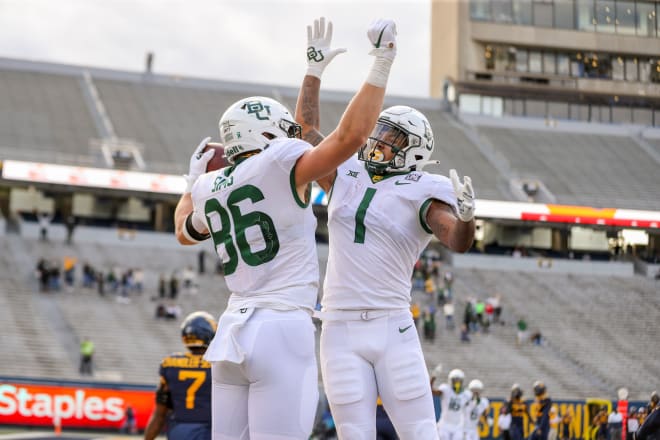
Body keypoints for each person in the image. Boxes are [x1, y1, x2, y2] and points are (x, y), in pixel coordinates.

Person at [173, 17, 398, 440]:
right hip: (280, 328)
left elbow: (184, 231)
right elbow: (349, 137)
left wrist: (189, 184)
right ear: (265, 134)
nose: (291, 136)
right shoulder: (279, 162)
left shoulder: (207, 186)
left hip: (231, 331)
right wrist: (381, 65)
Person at [295, 20, 475, 440]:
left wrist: (467, 217)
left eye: (391, 138)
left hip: (392, 326)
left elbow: (456, 239)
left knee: (420, 435)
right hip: (338, 327)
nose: (378, 142)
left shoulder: (423, 189)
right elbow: (306, 135)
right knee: (353, 435)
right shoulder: (347, 173)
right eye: (379, 133)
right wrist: (313, 70)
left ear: (413, 150)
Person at [144, 311, 217, 440]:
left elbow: (159, 414)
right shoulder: (219, 364)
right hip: (210, 430)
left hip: (179, 430)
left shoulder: (170, 363)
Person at [432, 369, 472, 440]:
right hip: (444, 425)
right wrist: (433, 378)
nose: (457, 382)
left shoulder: (466, 394)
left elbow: (469, 408)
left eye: (459, 380)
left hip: (457, 426)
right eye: (455, 380)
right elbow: (432, 391)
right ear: (451, 380)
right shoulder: (446, 389)